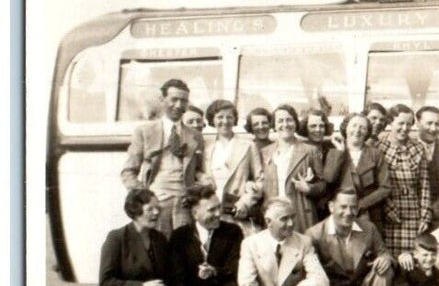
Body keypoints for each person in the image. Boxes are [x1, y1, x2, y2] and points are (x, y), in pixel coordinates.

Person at [120, 78, 206, 237]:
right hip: (156, 206)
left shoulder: (195, 136)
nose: (179, 105)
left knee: (184, 255)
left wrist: (196, 191)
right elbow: (128, 172)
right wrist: (146, 198)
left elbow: (200, 172)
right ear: (162, 99)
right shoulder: (145, 132)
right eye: (174, 99)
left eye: (184, 101)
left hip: (184, 208)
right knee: (156, 253)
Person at [375, 104, 432, 255]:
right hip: (388, 212)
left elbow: (424, 186)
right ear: (390, 123)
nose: (405, 128)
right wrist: (388, 208)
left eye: (408, 124)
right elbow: (376, 184)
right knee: (390, 258)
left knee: (412, 259)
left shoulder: (418, 148)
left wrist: (425, 217)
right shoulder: (378, 148)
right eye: (400, 123)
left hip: (413, 213)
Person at [260, 104, 326, 233]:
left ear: (295, 123)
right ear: (274, 125)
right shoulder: (265, 152)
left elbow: (323, 185)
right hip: (273, 215)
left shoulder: (311, 150)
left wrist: (309, 188)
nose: (285, 124)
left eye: (289, 120)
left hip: (300, 213)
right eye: (280, 121)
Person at [202, 99, 263, 236]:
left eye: (229, 117)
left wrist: (245, 203)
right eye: (220, 117)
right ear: (212, 119)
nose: (225, 121)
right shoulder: (206, 147)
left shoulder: (248, 145)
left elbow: (260, 180)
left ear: (235, 119)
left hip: (237, 211)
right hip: (213, 210)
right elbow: (201, 176)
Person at [324, 112, 392, 230]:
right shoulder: (333, 151)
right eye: (354, 126)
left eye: (363, 127)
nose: (357, 130)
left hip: (369, 213)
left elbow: (385, 187)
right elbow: (329, 179)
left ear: (367, 132)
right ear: (346, 128)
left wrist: (361, 204)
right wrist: (340, 152)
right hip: (340, 212)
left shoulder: (375, 154)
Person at [416, 105, 439, 225]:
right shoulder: (407, 148)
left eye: (437, 124)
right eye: (429, 123)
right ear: (418, 123)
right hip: (411, 214)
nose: (433, 128)